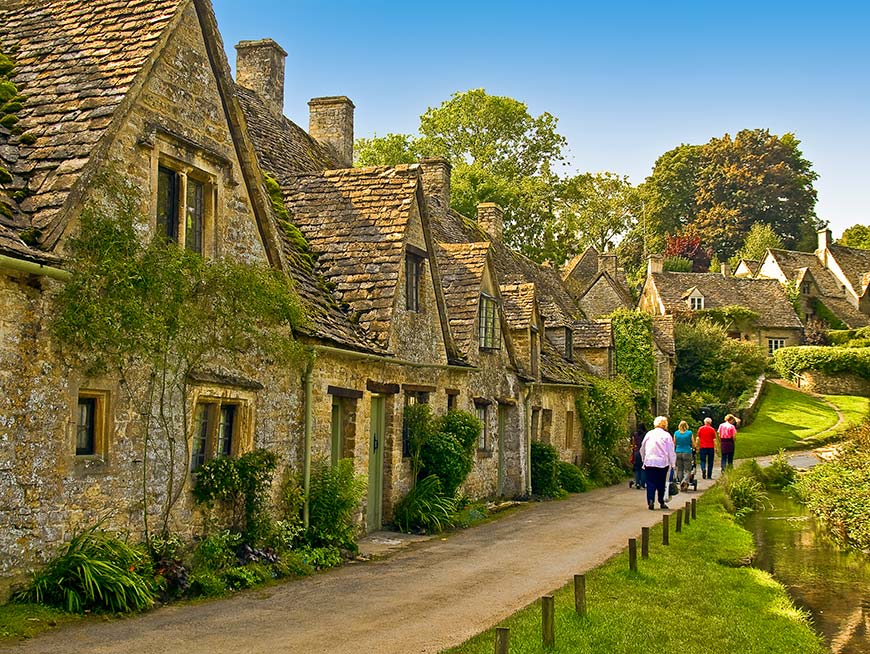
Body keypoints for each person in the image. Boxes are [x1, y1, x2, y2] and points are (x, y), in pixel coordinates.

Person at [640, 416, 676, 510]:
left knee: (650, 482)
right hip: (662, 462)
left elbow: (642, 448)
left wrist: (644, 459)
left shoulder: (649, 434)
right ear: (664, 425)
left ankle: (651, 500)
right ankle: (661, 501)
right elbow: (670, 450)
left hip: (650, 461)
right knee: (661, 482)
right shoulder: (666, 435)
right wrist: (673, 463)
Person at [673, 420, 696, 491]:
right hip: (687, 451)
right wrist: (694, 448)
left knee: (679, 469)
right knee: (687, 469)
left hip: (678, 451)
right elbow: (693, 443)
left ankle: (681, 482)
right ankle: (685, 481)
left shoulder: (676, 433)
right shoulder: (689, 433)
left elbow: (674, 443)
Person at [629, 423, 647, 490]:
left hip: (636, 452)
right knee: (643, 468)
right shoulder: (646, 434)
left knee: (637, 468)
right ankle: (643, 483)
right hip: (644, 452)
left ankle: (637, 483)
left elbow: (633, 444)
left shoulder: (635, 434)